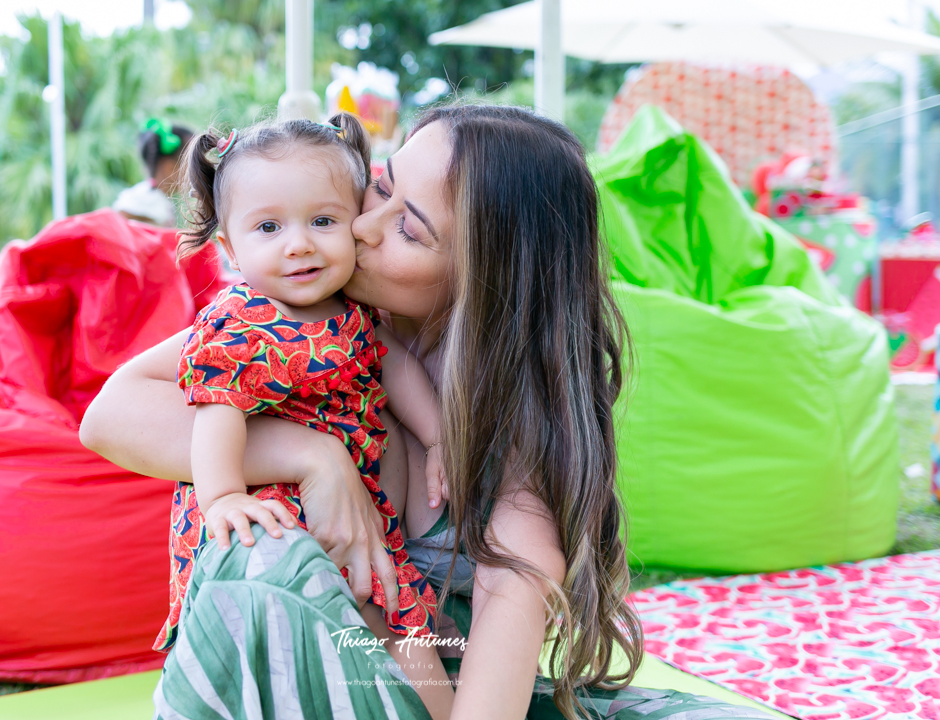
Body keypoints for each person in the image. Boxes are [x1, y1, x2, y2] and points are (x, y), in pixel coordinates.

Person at [80, 104, 775, 720]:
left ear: (487, 275)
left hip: (420, 685)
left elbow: (491, 666)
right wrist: (313, 455)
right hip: (281, 657)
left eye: (408, 229)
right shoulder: (297, 316)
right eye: (381, 187)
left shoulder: (506, 430)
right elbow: (112, 414)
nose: (361, 225)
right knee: (265, 564)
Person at [160, 111, 452, 717]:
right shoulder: (238, 321)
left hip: (364, 519)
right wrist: (222, 497)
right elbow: (217, 414)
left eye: (323, 221)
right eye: (269, 227)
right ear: (229, 248)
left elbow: (396, 369)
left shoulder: (353, 311)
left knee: (406, 637)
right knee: (306, 659)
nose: (299, 244)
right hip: (276, 515)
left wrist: (437, 438)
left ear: (356, 224)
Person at [113, 118, 194, 226]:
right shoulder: (141, 204)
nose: (196, 174)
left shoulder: (157, 201)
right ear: (170, 168)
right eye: (193, 167)